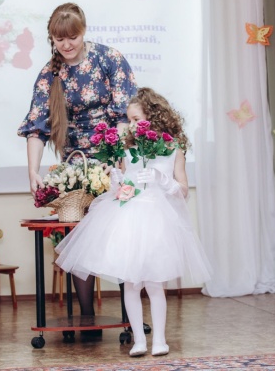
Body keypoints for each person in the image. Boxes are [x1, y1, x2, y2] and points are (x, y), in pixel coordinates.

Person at [55, 87, 212, 356]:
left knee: (155, 283)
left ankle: (159, 339)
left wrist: (163, 180)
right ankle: (139, 339)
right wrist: (117, 181)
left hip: (158, 220)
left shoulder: (173, 149)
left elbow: (183, 191)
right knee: (131, 282)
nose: (131, 125)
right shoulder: (128, 150)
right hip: (129, 218)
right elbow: (125, 186)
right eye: (129, 120)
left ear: (154, 116)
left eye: (136, 119)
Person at [17, 3, 138, 324]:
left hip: (113, 162)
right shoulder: (49, 73)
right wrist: (33, 171)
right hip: (76, 166)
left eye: (73, 37)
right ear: (52, 38)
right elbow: (36, 128)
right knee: (79, 238)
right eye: (59, 39)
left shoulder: (109, 59)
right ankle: (87, 318)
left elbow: (125, 115)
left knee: (121, 237)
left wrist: (117, 157)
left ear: (83, 31)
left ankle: (130, 316)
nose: (67, 45)